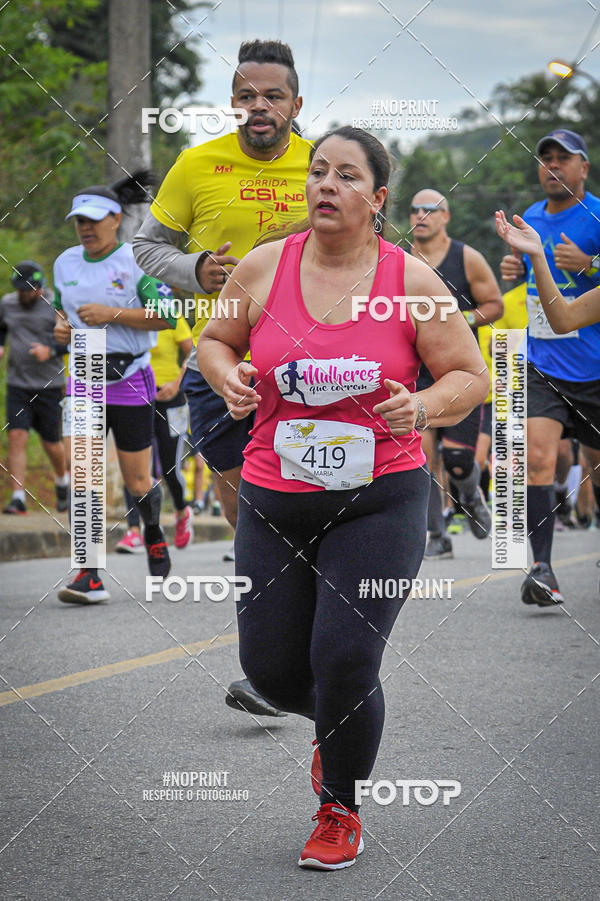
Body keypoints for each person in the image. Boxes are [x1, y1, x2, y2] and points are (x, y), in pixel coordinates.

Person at [197, 126, 489, 870]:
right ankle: (339, 730)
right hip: (273, 496)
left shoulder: (413, 284)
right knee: (269, 671)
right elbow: (215, 339)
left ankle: (340, 804)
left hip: (378, 500)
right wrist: (227, 373)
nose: (326, 183)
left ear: (377, 198)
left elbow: (469, 375)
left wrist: (422, 407)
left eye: (346, 175)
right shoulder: (265, 266)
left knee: (346, 656)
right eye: (318, 170)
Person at [134, 39, 311, 716]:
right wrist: (196, 268)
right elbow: (148, 244)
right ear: (233, 100)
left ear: (297, 104)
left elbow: (368, 248)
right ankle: (275, 656)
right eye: (247, 94)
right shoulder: (198, 163)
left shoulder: (323, 163)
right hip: (221, 360)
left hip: (307, 363)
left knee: (298, 503)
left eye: (273, 95)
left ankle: (281, 660)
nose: (259, 106)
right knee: (249, 509)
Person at [53, 172, 176, 604]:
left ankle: (154, 530)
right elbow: (61, 313)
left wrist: (111, 314)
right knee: (84, 476)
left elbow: (167, 318)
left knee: (138, 480)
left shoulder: (136, 261)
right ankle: (88, 573)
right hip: (83, 372)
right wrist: (61, 330)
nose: (85, 228)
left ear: (116, 219)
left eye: (93, 220)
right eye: (78, 221)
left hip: (129, 378)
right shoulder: (65, 263)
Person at [498, 128, 600, 605]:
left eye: (565, 158)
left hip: (595, 366)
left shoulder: (597, 215)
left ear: (584, 167)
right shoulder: (533, 217)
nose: (553, 166)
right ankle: (542, 568)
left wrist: (590, 263)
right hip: (543, 362)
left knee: (596, 466)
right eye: (546, 158)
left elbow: (583, 275)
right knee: (535, 458)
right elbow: (530, 272)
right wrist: (517, 267)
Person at [409, 190, 503, 558]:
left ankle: (469, 494)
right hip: (416, 373)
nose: (421, 215)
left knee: (458, 461)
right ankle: (437, 536)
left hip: (459, 371)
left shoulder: (467, 258)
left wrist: (460, 319)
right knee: (421, 455)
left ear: (445, 216)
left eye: (429, 209)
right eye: (415, 209)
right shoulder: (402, 259)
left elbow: (493, 304)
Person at [117, 312, 195, 552]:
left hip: (170, 398)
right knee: (138, 467)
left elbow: (195, 353)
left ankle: (182, 511)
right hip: (136, 396)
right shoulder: (126, 317)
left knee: (170, 467)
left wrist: (177, 384)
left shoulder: (169, 316)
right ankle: (134, 530)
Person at [1, 262, 69, 514]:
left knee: (51, 442)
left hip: (49, 385)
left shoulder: (56, 305)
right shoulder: (7, 303)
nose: (23, 295)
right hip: (17, 383)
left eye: (28, 290)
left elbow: (73, 339)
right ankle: (18, 497)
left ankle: (63, 481)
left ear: (40, 288)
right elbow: (2, 328)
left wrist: (49, 350)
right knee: (17, 436)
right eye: (20, 290)